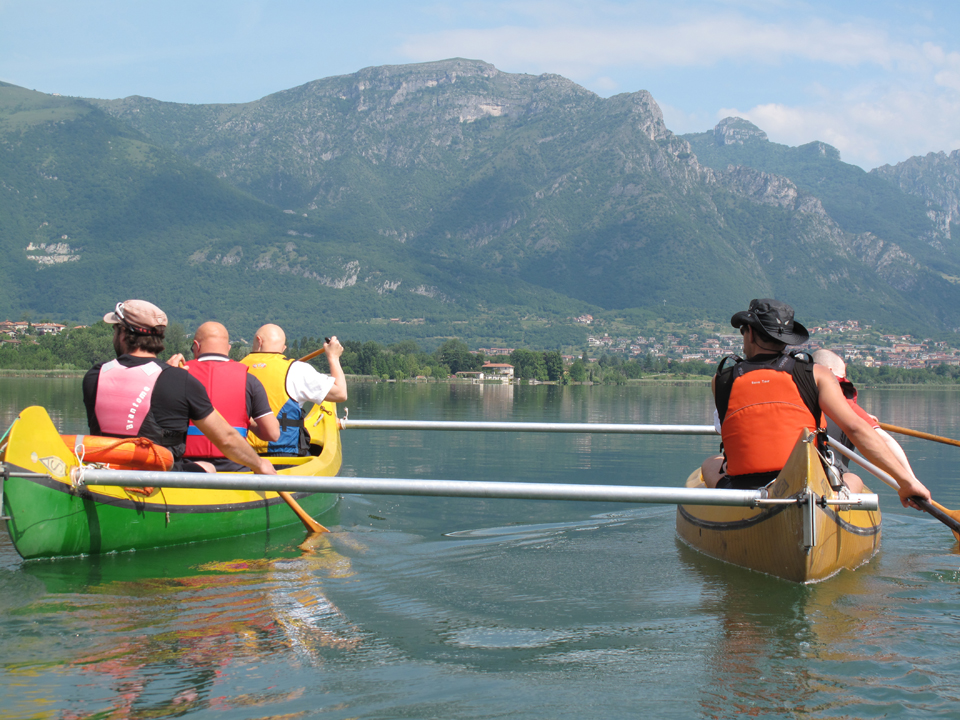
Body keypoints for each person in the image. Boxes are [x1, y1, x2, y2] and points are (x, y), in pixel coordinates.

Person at [700, 298, 929, 508]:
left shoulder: (721, 380)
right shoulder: (816, 374)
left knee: (710, 464)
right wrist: (905, 481)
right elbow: (856, 427)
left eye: (742, 331)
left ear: (749, 333)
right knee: (853, 477)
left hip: (745, 487)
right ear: (786, 338)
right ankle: (836, 504)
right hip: (811, 486)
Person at [82, 300, 276, 475]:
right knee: (207, 467)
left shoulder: (94, 376)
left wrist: (166, 373)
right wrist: (259, 464)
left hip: (103, 473)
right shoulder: (180, 380)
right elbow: (226, 439)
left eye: (115, 329)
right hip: (159, 476)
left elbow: (131, 394)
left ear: (123, 335)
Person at [173, 321, 281, 472]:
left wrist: (167, 374)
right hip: (235, 468)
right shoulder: (250, 380)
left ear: (196, 346)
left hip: (187, 467)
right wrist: (246, 421)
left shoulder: (176, 376)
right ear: (228, 348)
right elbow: (272, 434)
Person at [812, 348, 921, 484]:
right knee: (855, 481)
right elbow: (885, 441)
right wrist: (911, 480)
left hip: (788, 476)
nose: (845, 381)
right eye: (843, 377)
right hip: (829, 481)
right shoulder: (843, 403)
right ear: (828, 373)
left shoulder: (794, 396)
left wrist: (862, 415)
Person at [240, 324, 347, 456]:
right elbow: (340, 393)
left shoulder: (235, 368)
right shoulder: (296, 369)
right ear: (283, 348)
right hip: (284, 455)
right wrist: (333, 357)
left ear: (258, 340)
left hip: (240, 455)